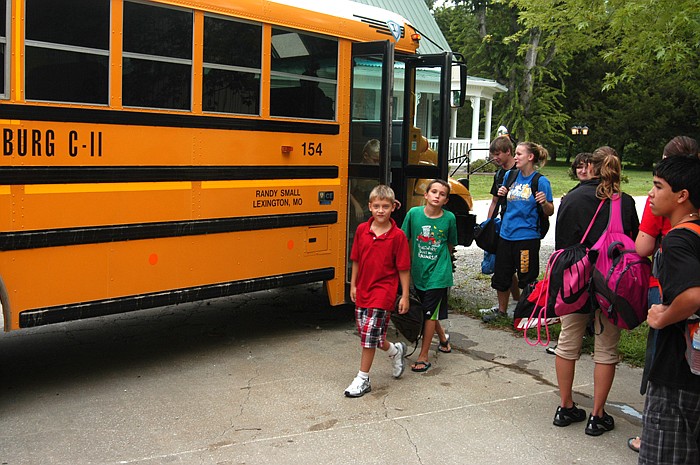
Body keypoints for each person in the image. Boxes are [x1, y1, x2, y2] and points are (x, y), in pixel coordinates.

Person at [552, 146, 639, 436]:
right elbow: (634, 245)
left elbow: (561, 246)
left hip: (577, 282)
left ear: (590, 166)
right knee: (606, 348)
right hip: (611, 284)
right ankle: (598, 415)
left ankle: (565, 407)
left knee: (567, 343)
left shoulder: (573, 197)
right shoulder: (623, 202)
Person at [628, 136, 699, 453]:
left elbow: (695, 295)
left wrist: (663, 316)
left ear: (682, 195)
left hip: (676, 372)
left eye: (658, 186)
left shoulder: (677, 241)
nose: (650, 193)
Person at [345, 184, 411, 398]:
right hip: (363, 289)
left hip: (383, 292)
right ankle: (395, 350)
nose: (381, 210)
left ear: (393, 207)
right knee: (369, 334)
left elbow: (403, 268)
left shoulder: (398, 236)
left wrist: (405, 296)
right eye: (377, 206)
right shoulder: (363, 230)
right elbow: (355, 259)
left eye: (385, 206)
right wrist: (353, 284)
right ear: (370, 207)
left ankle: (362, 379)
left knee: (368, 337)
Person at [482, 141, 554, 322]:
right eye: (515, 154)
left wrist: (544, 202)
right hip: (506, 235)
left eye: (519, 154)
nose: (515, 157)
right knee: (502, 275)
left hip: (527, 238)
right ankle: (501, 311)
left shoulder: (540, 181)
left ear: (530, 157)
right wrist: (502, 192)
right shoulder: (510, 176)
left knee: (526, 277)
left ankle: (525, 313)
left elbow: (550, 211)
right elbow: (501, 200)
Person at [401, 179, 458, 372]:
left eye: (442, 194)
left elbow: (450, 244)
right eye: (434, 192)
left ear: (446, 200)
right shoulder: (414, 214)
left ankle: (423, 356)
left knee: (429, 312)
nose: (437, 196)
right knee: (428, 311)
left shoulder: (449, 218)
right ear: (425, 195)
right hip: (419, 272)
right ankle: (443, 338)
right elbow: (403, 239)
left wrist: (443, 263)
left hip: (439, 274)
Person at [479, 135, 521, 315]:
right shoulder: (499, 174)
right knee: (502, 266)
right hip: (502, 224)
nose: (495, 158)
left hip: (518, 227)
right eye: (493, 154)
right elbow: (495, 201)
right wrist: (489, 224)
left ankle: (519, 302)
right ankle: (511, 303)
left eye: (497, 154)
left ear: (508, 152)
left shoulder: (521, 172)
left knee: (515, 266)